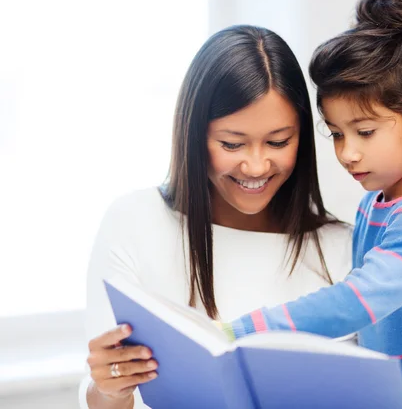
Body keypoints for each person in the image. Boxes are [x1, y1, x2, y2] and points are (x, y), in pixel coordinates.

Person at [219, 0, 402, 409]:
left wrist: (239, 332)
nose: (347, 152)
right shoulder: (378, 203)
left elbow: (356, 303)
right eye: (336, 133)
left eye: (365, 132)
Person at [80, 25, 353, 409]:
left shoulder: (343, 249)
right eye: (232, 143)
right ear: (193, 135)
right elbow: (108, 396)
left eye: (278, 141)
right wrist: (109, 389)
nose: (256, 165)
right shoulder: (134, 223)